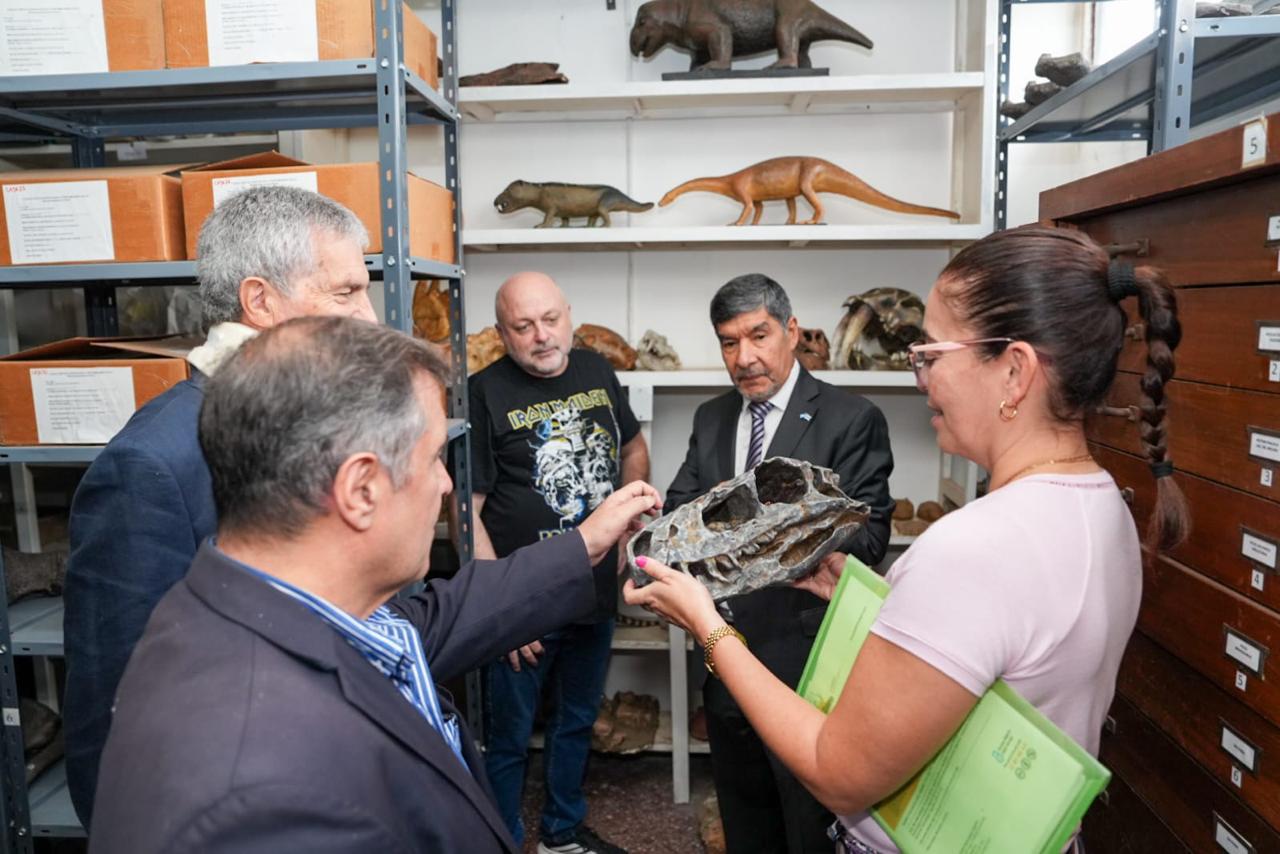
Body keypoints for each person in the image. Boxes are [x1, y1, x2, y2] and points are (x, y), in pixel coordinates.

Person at [625, 225, 1189, 854]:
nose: (921, 378)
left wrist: (707, 626)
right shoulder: (1106, 504)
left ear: (1015, 371)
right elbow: (998, 649)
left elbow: (838, 773)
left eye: (932, 355)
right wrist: (868, 594)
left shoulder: (970, 547)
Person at [88, 316, 662, 853]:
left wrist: (584, 543)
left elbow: (435, 619)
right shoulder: (265, 797)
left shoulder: (268, 605)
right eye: (434, 459)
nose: (446, 486)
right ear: (360, 490)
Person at [62, 186, 379, 826]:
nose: (369, 319)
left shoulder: (310, 422)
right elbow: (113, 719)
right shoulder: (151, 466)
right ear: (260, 301)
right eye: (345, 293)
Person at [664, 273, 894, 854]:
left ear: (791, 331)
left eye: (759, 336)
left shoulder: (852, 418)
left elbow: (869, 541)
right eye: (729, 342)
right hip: (725, 658)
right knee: (747, 821)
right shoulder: (712, 418)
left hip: (807, 669)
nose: (744, 357)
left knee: (811, 828)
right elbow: (679, 511)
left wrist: (757, 532)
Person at [469, 271, 649, 854]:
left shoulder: (597, 370)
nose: (541, 336)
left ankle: (561, 834)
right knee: (510, 736)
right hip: (523, 601)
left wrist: (630, 513)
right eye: (523, 326)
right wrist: (500, 608)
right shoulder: (483, 391)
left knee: (577, 721)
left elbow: (632, 446)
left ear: (569, 315)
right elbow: (465, 509)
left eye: (550, 320)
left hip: (593, 589)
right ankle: (502, 840)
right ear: (502, 334)